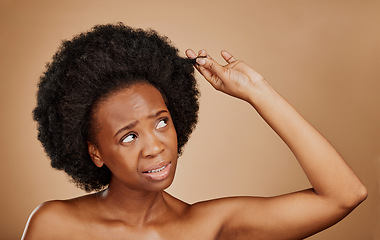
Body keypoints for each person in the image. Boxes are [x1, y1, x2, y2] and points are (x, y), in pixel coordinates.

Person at [22, 23, 367, 240]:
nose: (155, 147)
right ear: (94, 151)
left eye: (161, 122)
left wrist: (258, 92)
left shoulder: (207, 227)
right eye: (129, 136)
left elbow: (344, 195)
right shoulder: (53, 225)